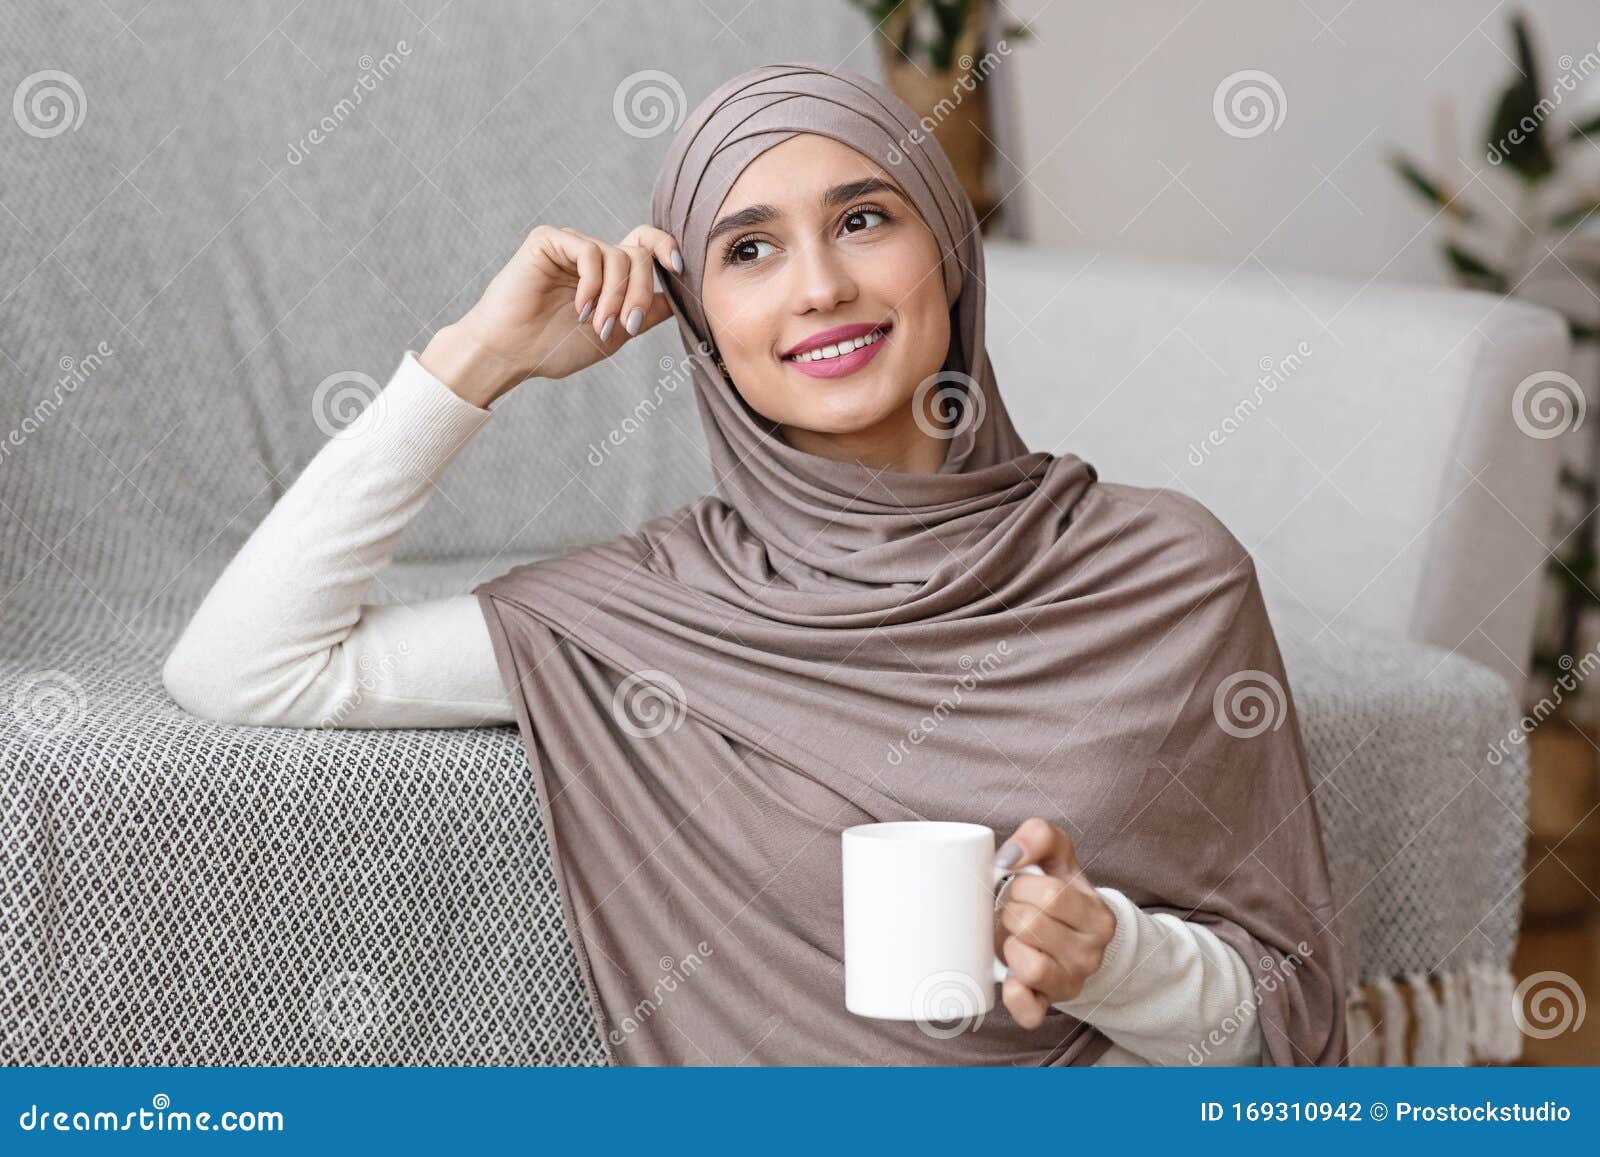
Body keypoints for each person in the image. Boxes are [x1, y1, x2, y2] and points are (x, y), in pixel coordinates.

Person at [164, 63, 1345, 1067]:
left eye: (864, 219)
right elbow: (245, 664)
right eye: (749, 250)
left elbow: (1281, 1017)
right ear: (702, 323)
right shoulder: (650, 613)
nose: (819, 285)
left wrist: (1116, 956)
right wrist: (480, 358)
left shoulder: (1166, 571)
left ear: (948, 251)